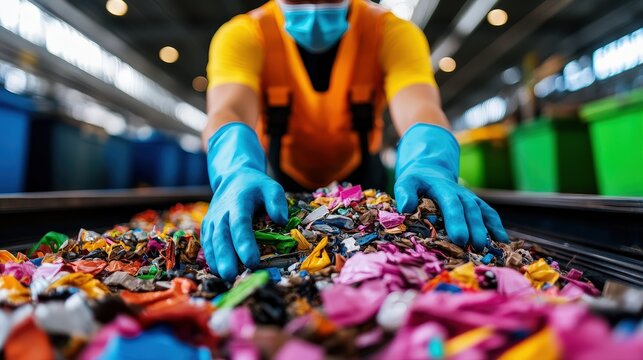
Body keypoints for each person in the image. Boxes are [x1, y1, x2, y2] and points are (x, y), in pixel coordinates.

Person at [201, 0, 509, 280]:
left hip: (364, 182)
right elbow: (229, 107)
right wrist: (234, 168)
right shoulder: (245, 34)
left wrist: (431, 159)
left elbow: (419, 104)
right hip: (281, 187)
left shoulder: (390, 32)